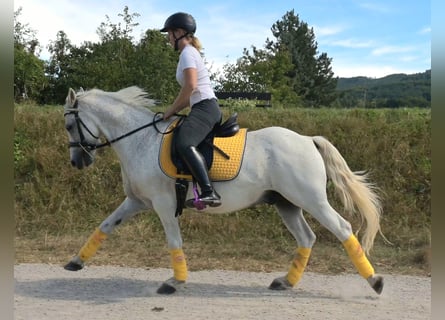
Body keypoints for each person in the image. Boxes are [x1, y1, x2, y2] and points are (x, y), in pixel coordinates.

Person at [161, 12, 222, 207]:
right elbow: (190, 93)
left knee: (185, 142)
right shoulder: (188, 53)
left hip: (205, 107)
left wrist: (170, 111)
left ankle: (208, 191)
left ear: (178, 32)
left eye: (169, 34)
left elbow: (190, 87)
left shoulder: (187, 53)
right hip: (201, 106)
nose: (168, 39)